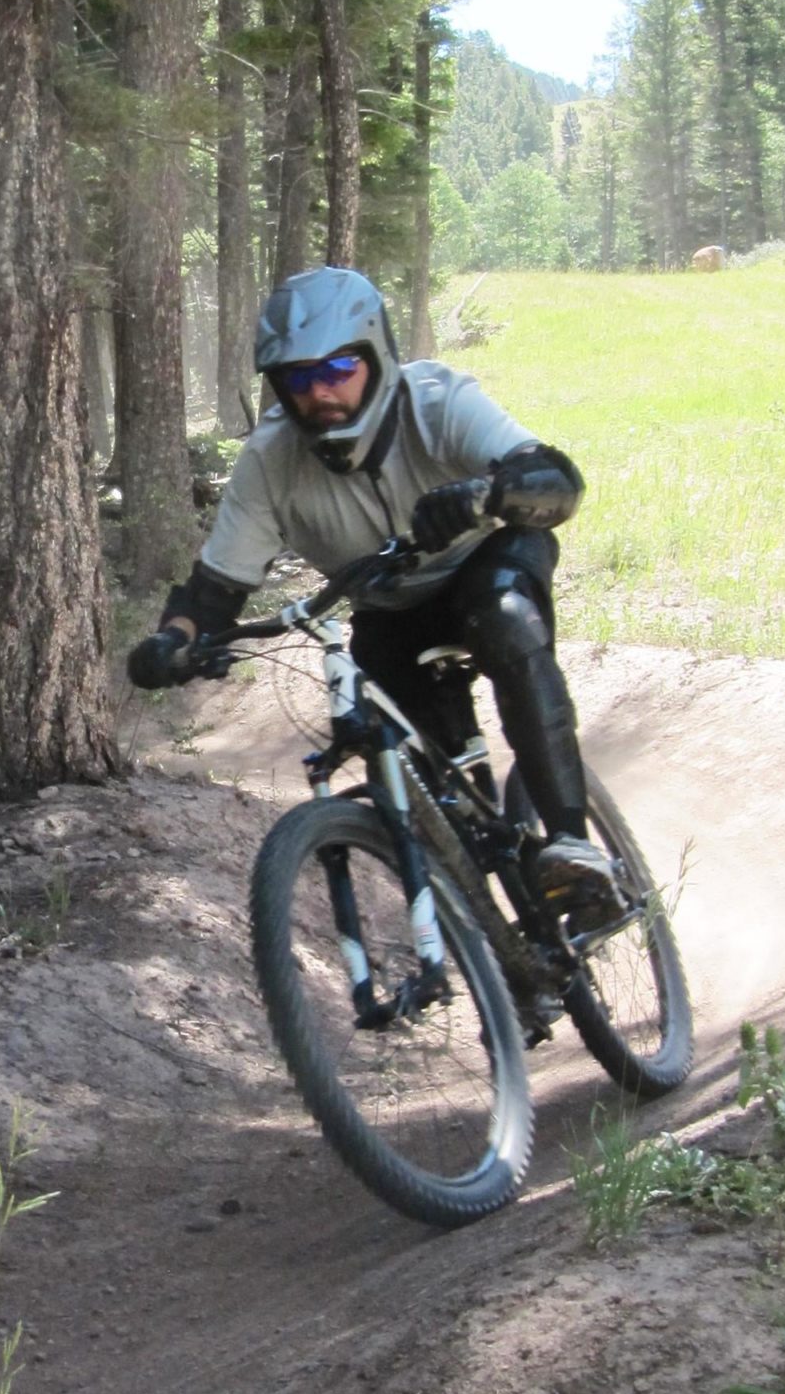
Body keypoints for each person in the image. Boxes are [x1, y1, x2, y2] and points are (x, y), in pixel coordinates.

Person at [127, 265, 621, 921]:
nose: (320, 393)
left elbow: (555, 481)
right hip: (391, 610)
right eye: (298, 380)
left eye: (337, 369)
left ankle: (570, 844)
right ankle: (494, 948)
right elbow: (214, 591)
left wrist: (481, 495)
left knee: (504, 616)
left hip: (485, 561)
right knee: (405, 760)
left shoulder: (437, 401)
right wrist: (173, 643)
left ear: (375, 355)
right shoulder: (270, 461)